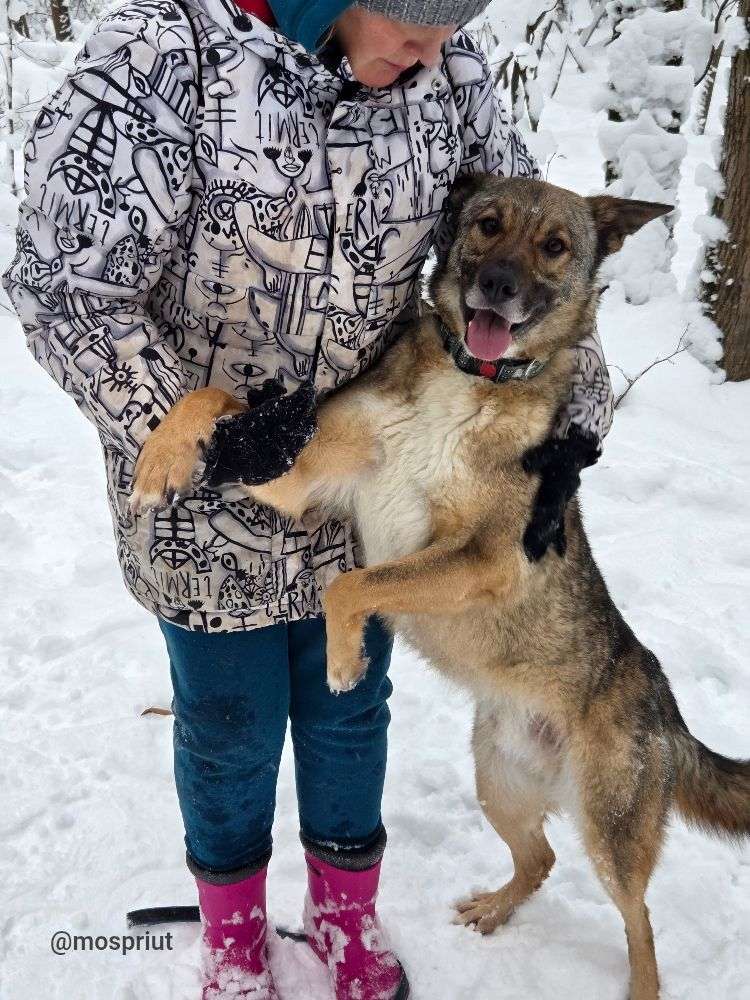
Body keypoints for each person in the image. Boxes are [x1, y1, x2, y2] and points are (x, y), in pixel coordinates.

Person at [2, 0, 614, 996]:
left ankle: (342, 917)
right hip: (202, 484)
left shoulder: (448, 75)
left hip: (369, 474)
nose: (432, 53)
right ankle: (236, 941)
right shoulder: (168, 51)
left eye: (450, 30)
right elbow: (62, 283)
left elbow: (552, 244)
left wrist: (574, 424)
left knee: (348, 709)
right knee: (230, 718)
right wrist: (200, 428)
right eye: (411, 25)